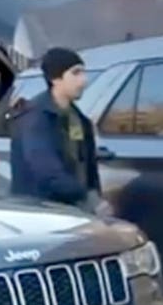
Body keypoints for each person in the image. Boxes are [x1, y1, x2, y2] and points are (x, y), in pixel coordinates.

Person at [9, 48, 111, 216]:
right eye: (75, 73)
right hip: (42, 212)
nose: (83, 80)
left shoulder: (78, 119)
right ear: (55, 79)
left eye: (83, 72)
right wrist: (85, 196)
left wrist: (94, 198)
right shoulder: (36, 118)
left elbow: (87, 167)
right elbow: (47, 173)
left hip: (72, 209)